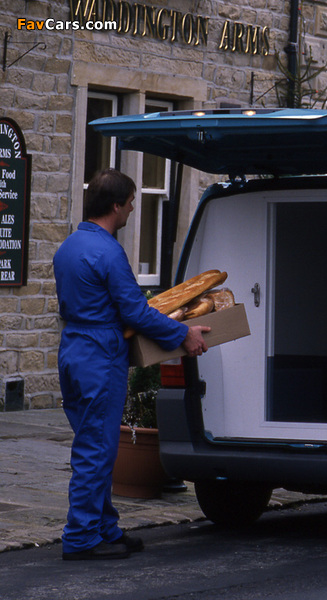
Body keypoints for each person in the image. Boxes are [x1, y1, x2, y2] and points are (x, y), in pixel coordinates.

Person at [53, 169, 209, 561]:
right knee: (96, 449)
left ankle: (105, 527)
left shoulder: (68, 246)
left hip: (72, 349)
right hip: (100, 354)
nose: (134, 209)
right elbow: (135, 312)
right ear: (116, 205)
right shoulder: (108, 251)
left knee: (94, 444)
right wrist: (183, 335)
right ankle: (82, 537)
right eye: (131, 202)